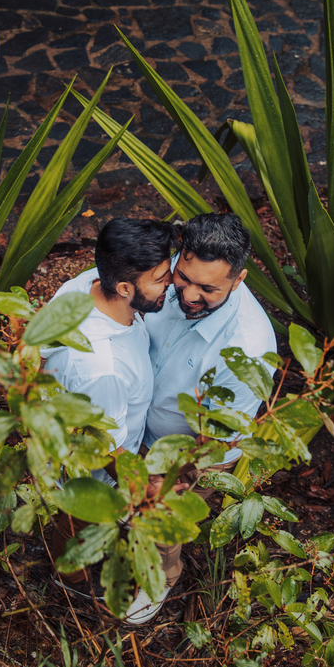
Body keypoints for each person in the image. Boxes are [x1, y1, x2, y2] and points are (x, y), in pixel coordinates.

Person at [137, 212, 279, 619]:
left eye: (209, 289)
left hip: (189, 451)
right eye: (185, 278)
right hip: (139, 427)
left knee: (164, 523)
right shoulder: (164, 278)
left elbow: (218, 440)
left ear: (239, 279)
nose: (190, 295)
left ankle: (162, 579)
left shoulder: (246, 351)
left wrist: (170, 484)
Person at [41, 217, 174, 621]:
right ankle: (73, 584)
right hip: (89, 481)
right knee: (74, 531)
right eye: (160, 279)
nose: (170, 284)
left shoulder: (86, 285)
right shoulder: (104, 368)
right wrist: (143, 487)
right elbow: (101, 448)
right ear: (125, 288)